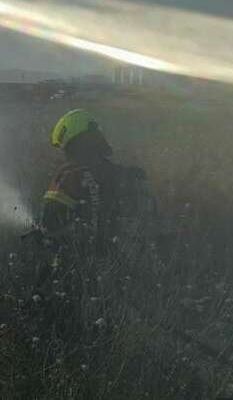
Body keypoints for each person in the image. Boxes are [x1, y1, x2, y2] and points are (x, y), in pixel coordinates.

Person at [32, 108, 151, 343]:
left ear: (73, 143)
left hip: (73, 268)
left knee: (62, 327)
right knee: (108, 325)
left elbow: (50, 220)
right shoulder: (124, 174)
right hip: (120, 264)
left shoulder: (69, 175)